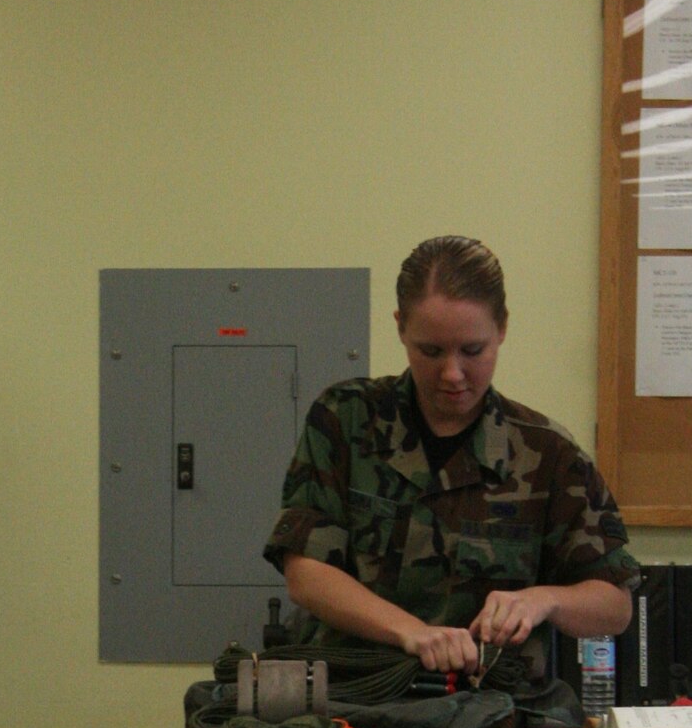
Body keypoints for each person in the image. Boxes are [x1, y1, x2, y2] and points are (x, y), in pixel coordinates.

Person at [264, 236, 637, 684]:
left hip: (496, 712)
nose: (453, 374)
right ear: (401, 327)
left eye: (472, 351)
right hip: (358, 699)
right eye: (431, 351)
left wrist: (545, 600)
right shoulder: (345, 420)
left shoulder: (547, 454)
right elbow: (305, 572)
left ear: (502, 328)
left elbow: (614, 606)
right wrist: (413, 633)